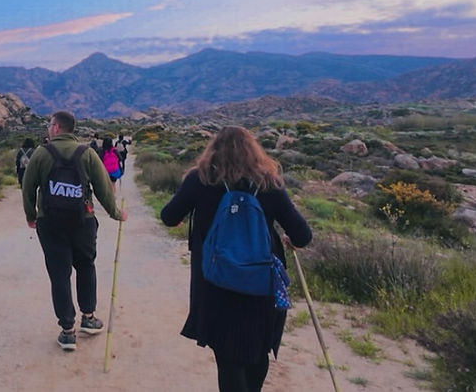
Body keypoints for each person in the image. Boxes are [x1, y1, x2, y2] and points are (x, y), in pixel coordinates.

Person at [159, 126, 312, 392]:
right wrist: (289, 239)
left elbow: (169, 217)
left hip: (214, 284)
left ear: (213, 150)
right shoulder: (269, 182)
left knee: (227, 357)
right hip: (260, 285)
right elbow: (303, 235)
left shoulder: (200, 179)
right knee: (258, 351)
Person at [22, 110, 127, 351]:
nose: (48, 128)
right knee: (86, 266)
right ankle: (88, 317)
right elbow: (103, 189)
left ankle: (67, 331)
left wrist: (31, 215)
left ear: (57, 128)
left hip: (50, 223)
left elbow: (28, 188)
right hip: (83, 222)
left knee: (59, 275)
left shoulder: (41, 153)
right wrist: (116, 213)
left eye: (50, 124)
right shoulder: (87, 153)